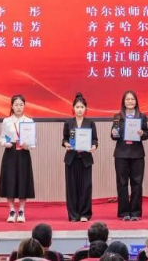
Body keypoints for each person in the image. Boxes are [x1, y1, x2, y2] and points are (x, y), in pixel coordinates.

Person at [111, 90, 148, 221]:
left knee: (137, 184)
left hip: (137, 154)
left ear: (136, 101)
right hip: (121, 154)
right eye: (127, 99)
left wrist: (142, 133)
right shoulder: (117, 116)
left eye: (132, 99)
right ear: (123, 102)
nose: (130, 101)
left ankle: (135, 212)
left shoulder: (142, 116)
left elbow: (147, 134)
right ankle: (124, 212)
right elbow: (113, 136)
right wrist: (114, 133)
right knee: (122, 184)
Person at [0, 94, 36, 223]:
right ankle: (11, 210)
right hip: (10, 152)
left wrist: (28, 145)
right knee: (10, 180)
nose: (19, 107)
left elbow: (33, 141)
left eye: (21, 105)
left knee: (23, 181)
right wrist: (5, 143)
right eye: (16, 105)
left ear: (24, 106)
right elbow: (1, 138)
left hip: (23, 153)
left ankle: (21, 210)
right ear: (12, 106)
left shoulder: (29, 121)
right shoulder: (6, 121)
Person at [63, 93, 98, 222]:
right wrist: (66, 144)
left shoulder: (90, 123)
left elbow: (95, 139)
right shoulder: (68, 122)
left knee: (86, 187)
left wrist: (94, 146)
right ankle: (73, 215)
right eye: (77, 107)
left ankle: (84, 214)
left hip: (85, 159)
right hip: (71, 159)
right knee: (71, 188)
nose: (79, 109)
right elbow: (65, 139)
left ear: (85, 109)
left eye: (82, 107)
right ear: (73, 108)